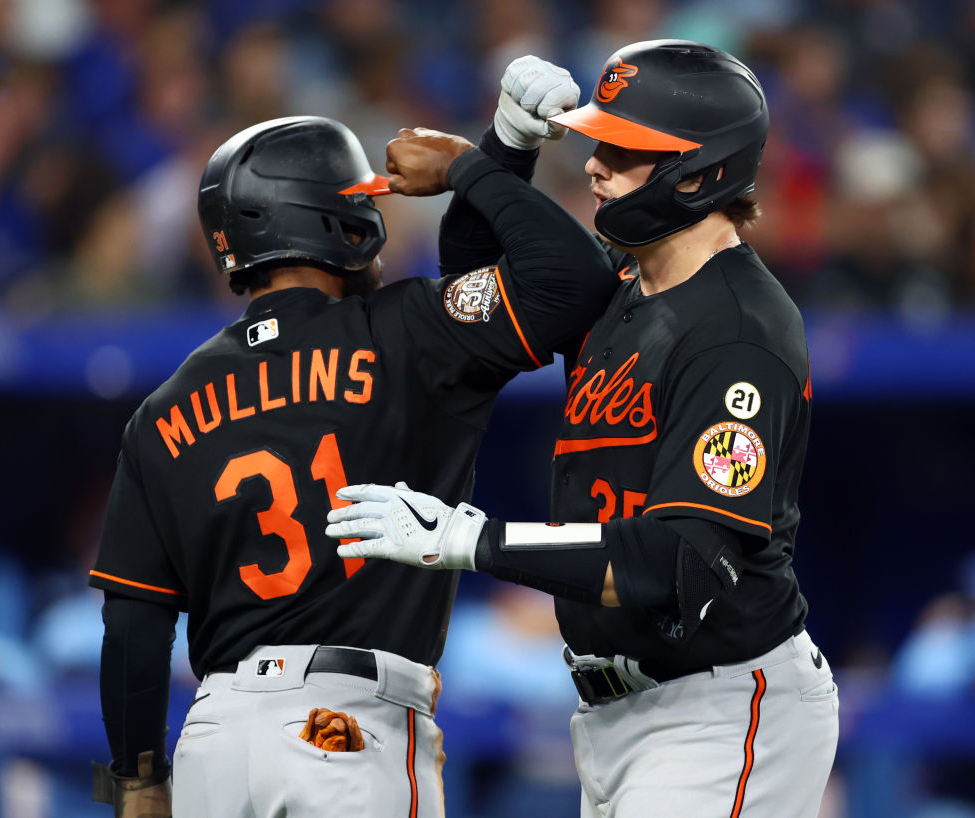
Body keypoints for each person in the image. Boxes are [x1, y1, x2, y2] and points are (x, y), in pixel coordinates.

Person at [87, 63, 619, 818]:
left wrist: (138, 781)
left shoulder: (164, 406)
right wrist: (473, 166)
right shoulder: (404, 331)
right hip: (345, 728)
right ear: (339, 223)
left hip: (213, 739)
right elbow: (573, 280)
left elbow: (134, 627)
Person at [328, 41, 840, 818]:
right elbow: (475, 282)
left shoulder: (739, 332)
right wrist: (506, 146)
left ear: (700, 173)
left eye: (624, 150)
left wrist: (473, 542)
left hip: (722, 704)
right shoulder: (626, 284)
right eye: (598, 141)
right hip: (621, 713)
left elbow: (680, 564)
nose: (596, 164)